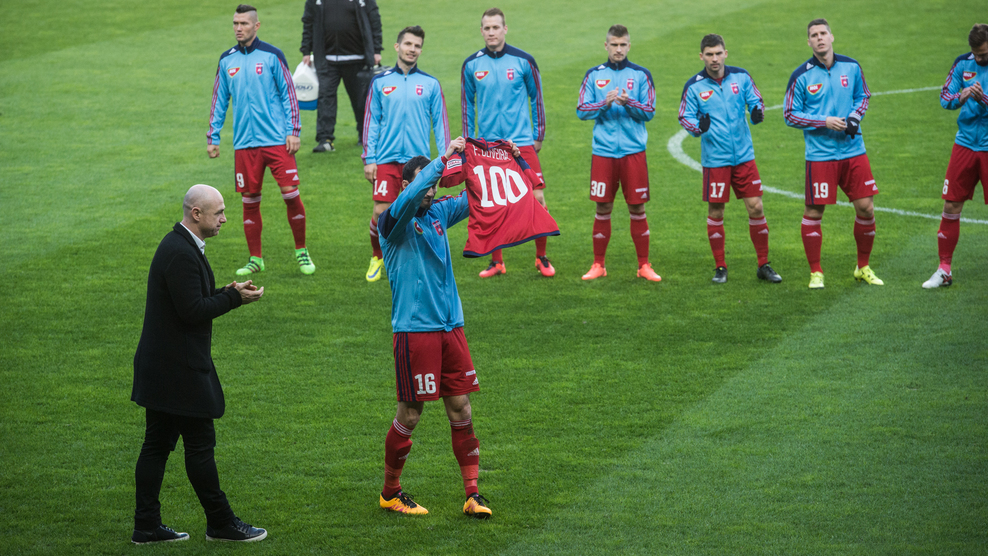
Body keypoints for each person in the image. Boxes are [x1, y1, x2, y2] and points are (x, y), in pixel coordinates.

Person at [131, 184, 266, 544]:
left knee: (156, 445)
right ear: (196, 214)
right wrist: (234, 299)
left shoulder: (181, 245)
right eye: (219, 212)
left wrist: (228, 292)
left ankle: (146, 526)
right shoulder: (180, 252)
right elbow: (192, 311)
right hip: (179, 371)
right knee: (199, 445)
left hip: (164, 366)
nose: (224, 219)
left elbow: (192, 299)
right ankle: (220, 523)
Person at [376, 137, 493, 519]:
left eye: (433, 187)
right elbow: (412, 197)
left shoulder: (438, 212)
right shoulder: (392, 220)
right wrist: (442, 161)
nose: (429, 193)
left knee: (461, 407)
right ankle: (390, 493)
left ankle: (473, 495)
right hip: (415, 331)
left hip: (450, 327)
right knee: (410, 414)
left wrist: (498, 160)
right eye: (423, 186)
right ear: (406, 185)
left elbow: (477, 197)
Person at [208, 4, 315, 277]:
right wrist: (213, 136)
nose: (238, 28)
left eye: (244, 23)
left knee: (291, 194)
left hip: (277, 140)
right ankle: (255, 259)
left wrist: (294, 131)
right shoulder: (227, 60)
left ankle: (301, 250)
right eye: (235, 23)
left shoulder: (272, 55)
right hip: (245, 144)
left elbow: (289, 93)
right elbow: (219, 100)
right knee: (249, 200)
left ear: (256, 26)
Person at [784, 18, 883, 289]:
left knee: (866, 207)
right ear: (808, 42)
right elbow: (790, 114)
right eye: (814, 35)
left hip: (854, 151)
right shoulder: (801, 76)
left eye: (823, 33)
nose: (819, 38)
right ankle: (816, 272)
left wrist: (854, 117)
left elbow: (863, 96)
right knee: (814, 211)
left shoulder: (851, 67)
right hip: (820, 155)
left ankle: (863, 267)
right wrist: (823, 121)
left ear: (831, 37)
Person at [679, 34, 782, 284]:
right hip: (716, 160)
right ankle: (720, 267)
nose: (714, 59)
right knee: (716, 210)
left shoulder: (741, 77)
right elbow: (685, 117)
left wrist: (756, 111)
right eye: (709, 54)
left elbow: (756, 100)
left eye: (718, 53)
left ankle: (763, 264)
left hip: (744, 157)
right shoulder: (694, 86)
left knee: (756, 207)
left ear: (726, 53)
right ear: (701, 56)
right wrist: (698, 127)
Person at [461, 7, 554, 278]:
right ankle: (497, 262)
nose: (491, 32)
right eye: (487, 28)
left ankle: (541, 257)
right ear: (481, 31)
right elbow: (467, 105)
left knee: (537, 198)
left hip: (521, 143)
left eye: (496, 27)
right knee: (491, 202)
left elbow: (537, 98)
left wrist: (538, 135)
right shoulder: (471, 65)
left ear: (505, 29)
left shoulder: (524, 61)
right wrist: (469, 143)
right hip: (488, 146)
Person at [362, 25, 449, 282]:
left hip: (418, 164)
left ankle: (412, 260)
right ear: (397, 46)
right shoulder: (380, 82)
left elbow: (440, 124)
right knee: (381, 212)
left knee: (415, 213)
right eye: (408, 44)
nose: (412, 49)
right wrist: (369, 158)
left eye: (417, 46)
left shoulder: (430, 84)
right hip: (386, 159)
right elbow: (371, 121)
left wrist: (445, 161)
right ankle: (377, 256)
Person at [576, 25, 660, 282]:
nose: (619, 49)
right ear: (606, 46)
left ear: (629, 46)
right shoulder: (594, 75)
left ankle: (644, 265)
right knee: (603, 206)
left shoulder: (641, 75)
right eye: (614, 44)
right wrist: (604, 104)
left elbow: (649, 112)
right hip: (604, 153)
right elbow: (581, 110)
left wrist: (629, 103)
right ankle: (598, 265)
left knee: (637, 207)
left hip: (634, 152)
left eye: (623, 45)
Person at [923, 24, 988, 289]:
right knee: (951, 206)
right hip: (965, 145)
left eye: (983, 54)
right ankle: (944, 270)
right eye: (976, 54)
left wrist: (984, 99)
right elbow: (945, 97)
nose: (979, 58)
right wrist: (961, 97)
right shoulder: (963, 63)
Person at [301, 0, 383, 153]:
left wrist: (377, 49)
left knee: (361, 101)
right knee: (326, 100)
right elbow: (308, 20)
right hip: (326, 60)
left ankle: (365, 136)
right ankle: (325, 140)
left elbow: (374, 19)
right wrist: (306, 50)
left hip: (358, 59)